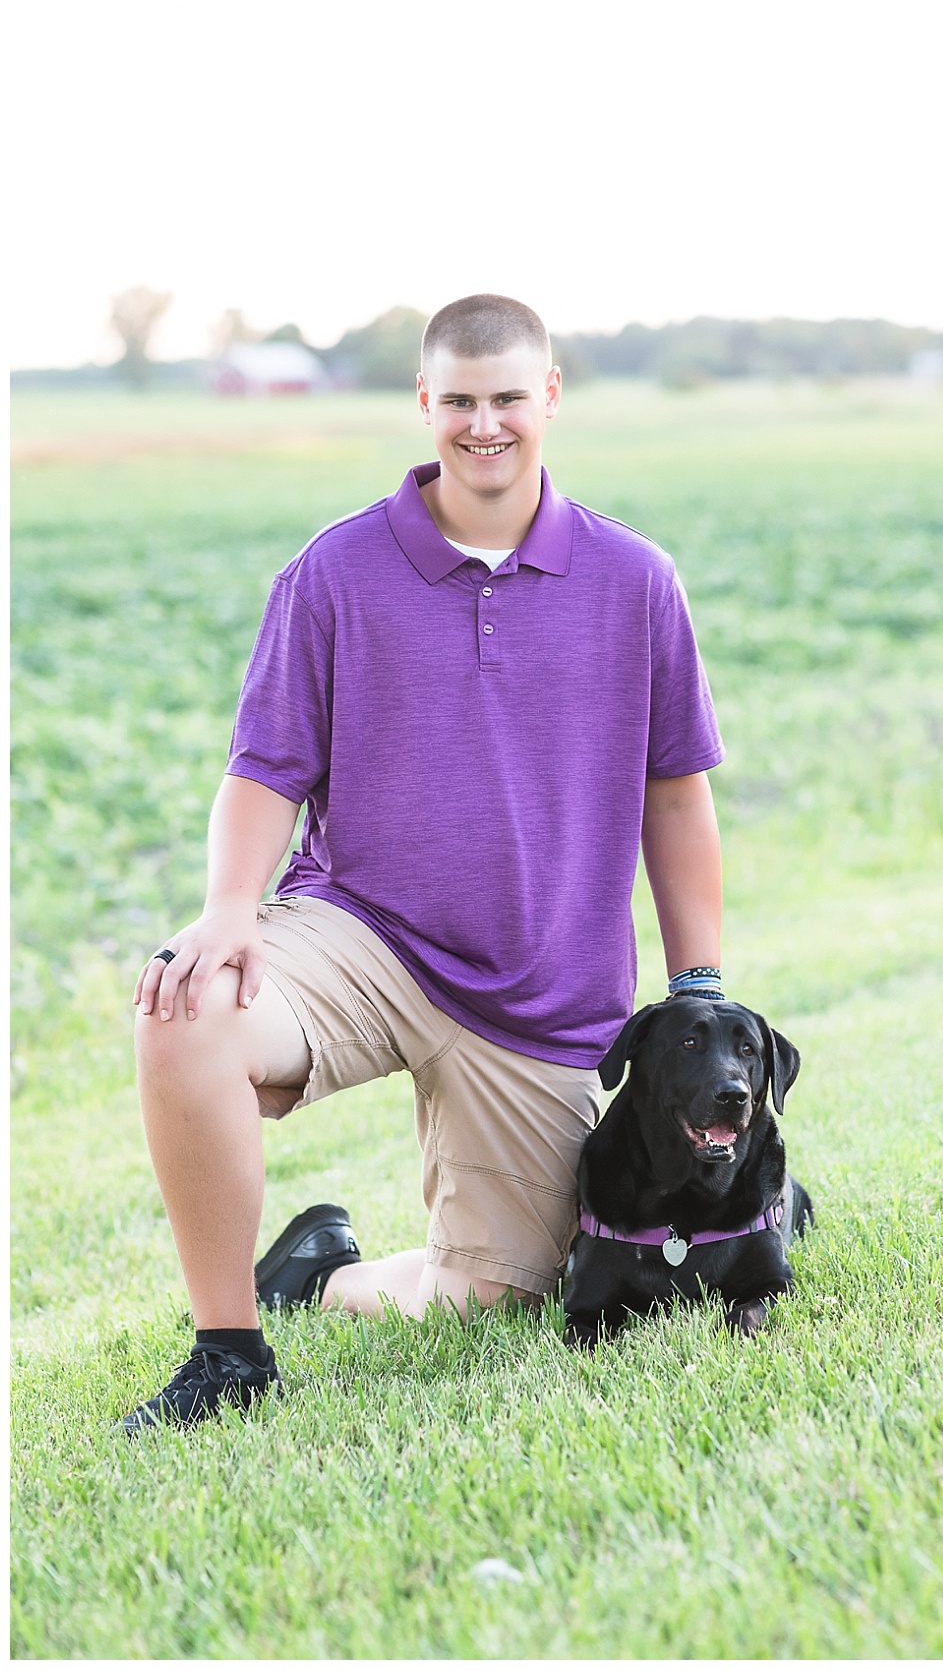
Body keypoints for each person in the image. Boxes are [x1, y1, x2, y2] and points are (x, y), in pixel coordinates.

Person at [122, 293, 725, 1433]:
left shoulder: (637, 579)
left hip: (542, 996)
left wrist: (698, 987)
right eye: (459, 399)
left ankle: (321, 1271)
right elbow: (263, 769)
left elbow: (677, 794)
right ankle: (229, 1350)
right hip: (364, 934)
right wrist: (226, 907)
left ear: (549, 396)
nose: (483, 423)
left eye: (507, 398)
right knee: (185, 1002)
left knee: (497, 1294)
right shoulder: (337, 570)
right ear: (424, 402)